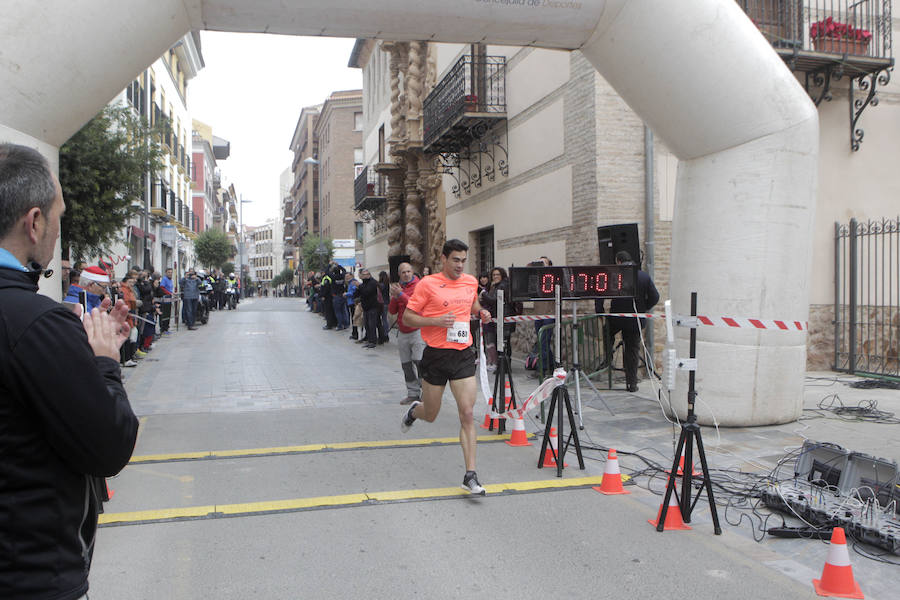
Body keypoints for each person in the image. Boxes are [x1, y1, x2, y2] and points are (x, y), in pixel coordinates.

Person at [0, 142, 139, 599]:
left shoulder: (39, 326)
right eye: (58, 216)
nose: (58, 231)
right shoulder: (34, 322)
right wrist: (102, 362)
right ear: (34, 222)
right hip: (30, 573)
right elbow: (109, 444)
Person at [399, 239, 492, 495]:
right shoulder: (428, 284)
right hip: (436, 357)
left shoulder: (470, 281)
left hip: (462, 354)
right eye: (455, 260)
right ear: (443, 258)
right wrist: (436, 320)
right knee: (431, 414)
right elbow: (408, 317)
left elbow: (471, 303)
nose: (460, 265)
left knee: (467, 413)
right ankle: (414, 412)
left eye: (464, 260)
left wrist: (481, 312)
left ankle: (470, 475)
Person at [595, 250, 659, 392]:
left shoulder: (614, 275)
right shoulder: (643, 276)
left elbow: (600, 293)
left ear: (618, 261)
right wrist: (643, 308)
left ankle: (608, 356)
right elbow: (655, 297)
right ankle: (631, 383)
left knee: (607, 331)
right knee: (632, 351)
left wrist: (600, 311)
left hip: (617, 318)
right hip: (635, 319)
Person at [388, 262, 425, 405]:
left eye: (408, 271)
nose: (406, 274)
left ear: (412, 272)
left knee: (419, 361)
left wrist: (401, 295)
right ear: (399, 274)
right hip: (402, 331)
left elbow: (416, 307)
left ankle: (427, 393)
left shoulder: (419, 286)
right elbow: (392, 311)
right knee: (406, 364)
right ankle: (413, 393)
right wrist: (394, 297)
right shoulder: (399, 288)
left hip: (417, 329)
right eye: (403, 272)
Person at [481, 266, 515, 371]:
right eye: (493, 275)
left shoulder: (502, 285)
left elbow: (494, 300)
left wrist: (484, 294)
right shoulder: (497, 285)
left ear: (502, 275)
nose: (495, 277)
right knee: (502, 342)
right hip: (500, 317)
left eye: (497, 275)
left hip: (504, 318)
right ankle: (503, 366)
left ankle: (505, 367)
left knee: (503, 342)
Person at [354, 268, 380, 348]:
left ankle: (373, 341)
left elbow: (367, 292)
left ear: (368, 275)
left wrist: (359, 286)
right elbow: (357, 294)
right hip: (365, 307)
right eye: (361, 274)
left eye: (363, 274)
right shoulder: (363, 283)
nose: (361, 276)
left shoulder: (373, 282)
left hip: (372, 307)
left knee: (372, 325)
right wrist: (357, 288)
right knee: (367, 325)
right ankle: (369, 340)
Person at [377, 270, 391, 344]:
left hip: (382, 303)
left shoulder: (381, 284)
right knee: (385, 319)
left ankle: (384, 334)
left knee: (383, 319)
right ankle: (386, 334)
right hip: (387, 302)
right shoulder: (387, 283)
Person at [160, 266, 174, 333]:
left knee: (168, 313)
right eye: (168, 272)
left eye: (171, 272)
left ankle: (167, 327)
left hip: (170, 298)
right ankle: (163, 328)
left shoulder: (171, 279)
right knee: (165, 313)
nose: (170, 274)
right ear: (166, 273)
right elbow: (162, 287)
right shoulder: (164, 279)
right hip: (166, 298)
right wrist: (168, 293)